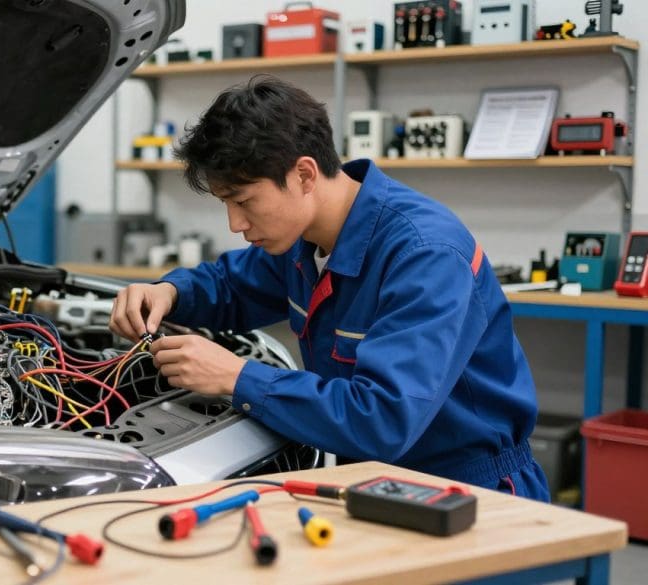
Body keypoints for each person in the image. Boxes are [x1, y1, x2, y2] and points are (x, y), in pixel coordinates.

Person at [108, 75, 550, 501]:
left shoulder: (425, 254)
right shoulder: (305, 241)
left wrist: (236, 377)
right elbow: (232, 285)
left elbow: (384, 419)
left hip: (470, 491)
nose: (236, 224)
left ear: (304, 174)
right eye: (227, 204)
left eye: (243, 201)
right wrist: (168, 292)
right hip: (371, 479)